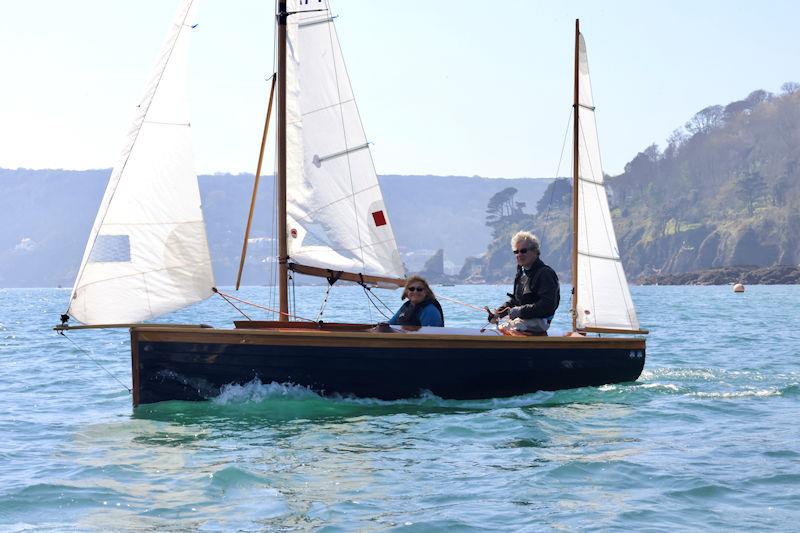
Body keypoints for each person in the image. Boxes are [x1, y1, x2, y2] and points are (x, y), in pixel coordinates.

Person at [489, 231, 559, 335]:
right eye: (516, 252)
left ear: (535, 252)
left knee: (506, 328)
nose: (519, 254)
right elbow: (515, 301)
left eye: (523, 251)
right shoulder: (521, 274)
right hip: (524, 320)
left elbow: (547, 305)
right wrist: (498, 314)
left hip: (541, 322)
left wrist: (520, 311)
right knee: (501, 327)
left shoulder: (545, 273)